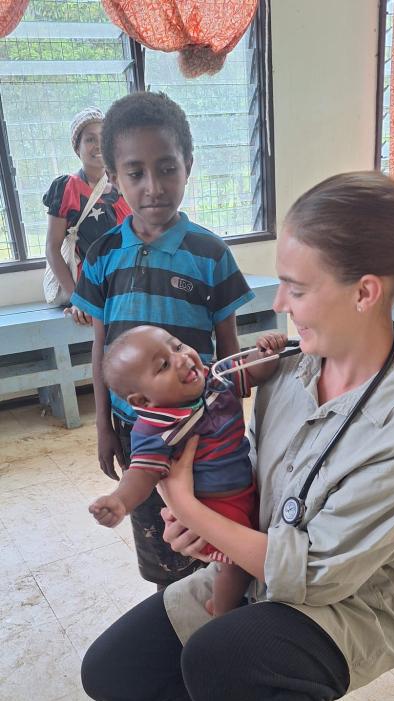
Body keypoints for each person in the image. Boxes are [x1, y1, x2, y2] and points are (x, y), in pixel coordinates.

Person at [81, 171, 394, 701]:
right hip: (257, 575)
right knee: (112, 671)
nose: (279, 302)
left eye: (296, 286)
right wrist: (208, 527)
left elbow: (312, 574)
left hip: (341, 610)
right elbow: (255, 479)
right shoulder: (291, 370)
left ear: (365, 292)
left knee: (220, 657)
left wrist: (187, 506)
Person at [71, 91, 254, 587]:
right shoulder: (103, 253)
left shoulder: (210, 254)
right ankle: (170, 609)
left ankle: (220, 610)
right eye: (136, 173)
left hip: (205, 432)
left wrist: (233, 417)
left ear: (188, 165)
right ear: (114, 177)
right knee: (161, 546)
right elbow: (101, 348)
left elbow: (229, 347)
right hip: (139, 431)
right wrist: (104, 425)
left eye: (167, 168)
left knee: (218, 540)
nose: (154, 187)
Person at [89, 325, 287, 615]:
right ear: (142, 401)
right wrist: (120, 500)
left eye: (178, 346)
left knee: (255, 549)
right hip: (215, 506)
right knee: (238, 565)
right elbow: (141, 473)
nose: (182, 359)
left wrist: (266, 352)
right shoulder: (154, 428)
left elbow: (256, 371)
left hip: (248, 487)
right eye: (163, 366)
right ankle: (221, 613)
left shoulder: (216, 376)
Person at [43, 107, 130, 321]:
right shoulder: (66, 188)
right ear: (77, 148)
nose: (98, 145)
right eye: (90, 139)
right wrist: (78, 299)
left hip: (125, 287)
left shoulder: (125, 186)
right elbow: (52, 248)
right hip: (90, 290)